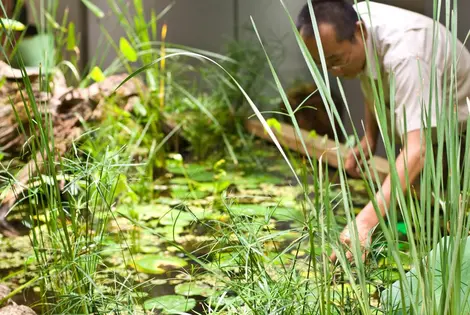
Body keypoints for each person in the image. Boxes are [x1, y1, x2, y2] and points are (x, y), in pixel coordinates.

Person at [295, 0, 470, 262]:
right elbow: (372, 76)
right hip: (431, 121)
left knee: (454, 218)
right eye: (323, 65)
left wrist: (363, 223)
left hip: (461, 124)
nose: (335, 72)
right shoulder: (358, 22)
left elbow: (417, 150)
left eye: (336, 61)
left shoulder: (407, 54)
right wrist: (370, 139)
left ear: (360, 32)